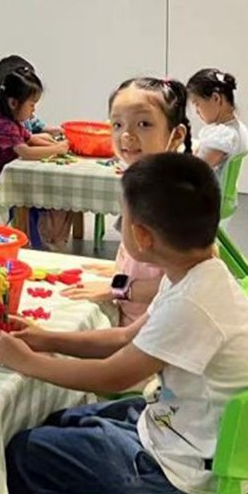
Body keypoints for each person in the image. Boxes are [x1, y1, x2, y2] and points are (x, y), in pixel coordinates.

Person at [0, 152, 248, 494]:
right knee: (65, 420)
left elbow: (113, 375)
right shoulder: (201, 275)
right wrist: (47, 338)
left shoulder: (192, 304)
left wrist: (28, 362)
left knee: (30, 453)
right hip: (195, 439)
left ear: (141, 236)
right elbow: (126, 337)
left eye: (122, 218)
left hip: (186, 475)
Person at [64, 78, 192, 323]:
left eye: (144, 124)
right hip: (132, 315)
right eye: (117, 124)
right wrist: (118, 273)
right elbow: (139, 259)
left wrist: (118, 288)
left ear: (176, 135)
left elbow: (185, 280)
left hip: (157, 327)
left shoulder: (174, 197)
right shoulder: (141, 183)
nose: (126, 135)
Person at [0, 66, 74, 249]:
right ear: (13, 103)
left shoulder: (11, 119)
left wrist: (55, 145)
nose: (33, 110)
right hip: (3, 184)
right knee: (58, 192)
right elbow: (25, 152)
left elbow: (30, 138)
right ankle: (51, 239)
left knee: (59, 189)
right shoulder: (4, 125)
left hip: (14, 177)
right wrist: (57, 149)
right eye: (31, 105)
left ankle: (51, 238)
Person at [186, 68, 248, 178]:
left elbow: (194, 171)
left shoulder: (223, 135)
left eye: (197, 104)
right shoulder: (238, 128)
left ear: (216, 98)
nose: (197, 111)